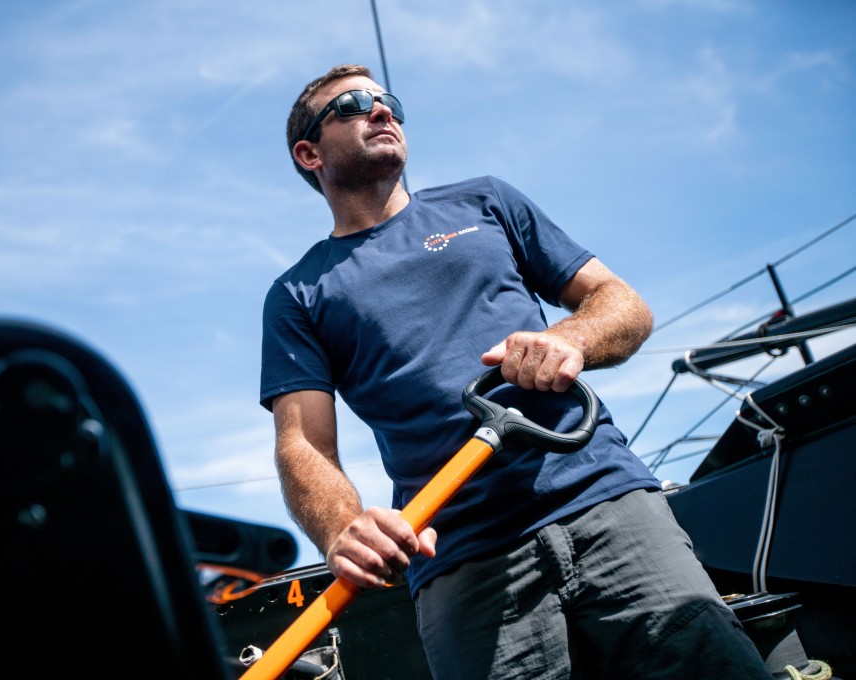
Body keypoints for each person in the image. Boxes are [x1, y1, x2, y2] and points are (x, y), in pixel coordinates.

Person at [260, 64, 771, 679]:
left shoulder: (485, 201)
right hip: (460, 557)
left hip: (605, 502)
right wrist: (343, 528)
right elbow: (302, 443)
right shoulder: (299, 292)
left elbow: (623, 304)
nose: (382, 110)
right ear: (309, 152)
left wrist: (570, 339)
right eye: (353, 104)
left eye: (387, 100)